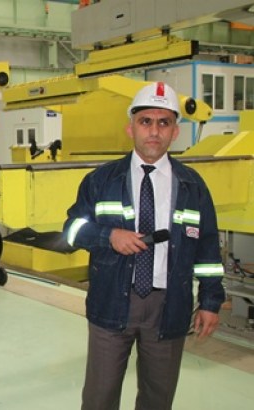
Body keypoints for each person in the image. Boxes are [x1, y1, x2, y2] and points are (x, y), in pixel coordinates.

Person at [63, 82, 226, 410]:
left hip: (169, 306)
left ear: (175, 132)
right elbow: (71, 231)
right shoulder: (101, 181)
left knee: (157, 399)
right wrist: (108, 236)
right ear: (131, 128)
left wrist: (210, 301)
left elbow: (207, 248)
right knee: (99, 398)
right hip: (111, 301)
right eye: (145, 121)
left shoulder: (192, 186)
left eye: (164, 122)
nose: (154, 131)